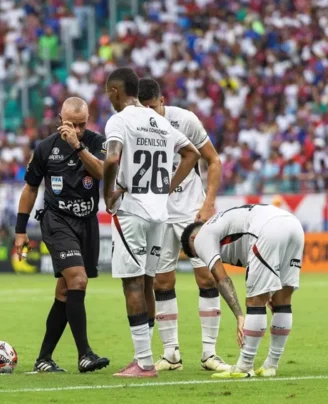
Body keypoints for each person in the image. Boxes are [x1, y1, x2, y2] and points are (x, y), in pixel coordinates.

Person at [103, 67, 201, 378]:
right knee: (147, 281)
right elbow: (192, 153)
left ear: (115, 91)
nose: (109, 99)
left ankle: (144, 362)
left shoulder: (119, 120)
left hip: (132, 211)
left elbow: (112, 158)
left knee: (132, 283)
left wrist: (108, 193)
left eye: (109, 94)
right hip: (160, 213)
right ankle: (143, 357)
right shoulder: (160, 121)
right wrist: (167, 188)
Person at [137, 78, 229, 372]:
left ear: (162, 101)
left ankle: (210, 354)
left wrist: (208, 203)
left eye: (152, 107)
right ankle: (171, 354)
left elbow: (213, 160)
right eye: (143, 108)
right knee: (162, 282)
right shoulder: (135, 125)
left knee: (207, 278)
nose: (148, 113)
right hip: (158, 214)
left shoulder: (185, 120)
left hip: (191, 211)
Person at [14, 97, 110, 373]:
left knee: (66, 291)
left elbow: (101, 173)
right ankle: (85, 354)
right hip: (57, 221)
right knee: (77, 280)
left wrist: (78, 145)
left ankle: (44, 359)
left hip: (87, 222)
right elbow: (30, 188)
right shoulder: (45, 148)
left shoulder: (97, 142)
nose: (77, 130)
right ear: (60, 120)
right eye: (71, 124)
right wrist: (20, 230)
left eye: (82, 124)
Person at [180, 204, 303, 378]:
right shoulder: (222, 226)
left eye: (198, 254)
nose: (204, 258)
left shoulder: (201, 238)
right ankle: (271, 365)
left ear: (193, 239)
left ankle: (244, 366)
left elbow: (222, 279)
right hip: (293, 225)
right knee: (282, 300)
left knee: (254, 302)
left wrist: (239, 315)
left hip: (268, 229)